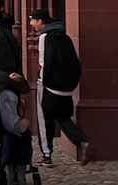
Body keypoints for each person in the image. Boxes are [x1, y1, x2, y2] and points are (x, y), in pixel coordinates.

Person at [29, 8, 88, 165]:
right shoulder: (65, 37)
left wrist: (44, 81)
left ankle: (46, 155)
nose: (31, 23)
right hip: (66, 86)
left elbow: (45, 62)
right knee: (63, 118)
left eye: (33, 20)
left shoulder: (45, 38)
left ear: (41, 21)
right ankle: (83, 142)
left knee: (44, 119)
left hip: (49, 85)